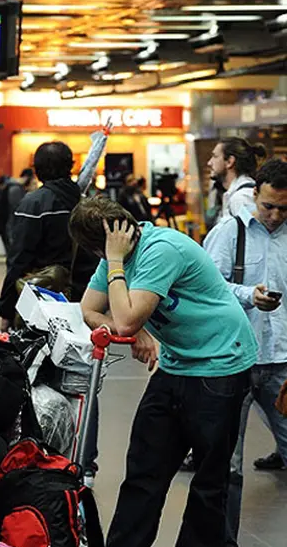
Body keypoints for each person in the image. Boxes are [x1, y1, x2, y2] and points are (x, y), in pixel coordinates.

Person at [70, 196, 257, 547]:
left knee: (209, 479)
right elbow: (89, 309)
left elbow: (125, 319)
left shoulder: (160, 250)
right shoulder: (113, 255)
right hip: (175, 363)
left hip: (219, 363)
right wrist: (135, 328)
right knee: (144, 470)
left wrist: (116, 267)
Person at [202, 158, 287, 544]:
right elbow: (207, 287)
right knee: (227, 463)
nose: (275, 216)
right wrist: (248, 295)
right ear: (255, 194)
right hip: (234, 362)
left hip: (282, 364)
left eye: (284, 208)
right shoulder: (228, 233)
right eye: (269, 206)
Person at [0, 142, 97, 331]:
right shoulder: (88, 203)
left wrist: (6, 310)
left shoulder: (34, 204)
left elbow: (19, 259)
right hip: (86, 300)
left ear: (37, 170)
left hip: (45, 299)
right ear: (70, 166)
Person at [207, 137, 268, 222]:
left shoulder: (241, 198)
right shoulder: (234, 194)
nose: (209, 163)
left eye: (215, 156)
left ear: (229, 162)